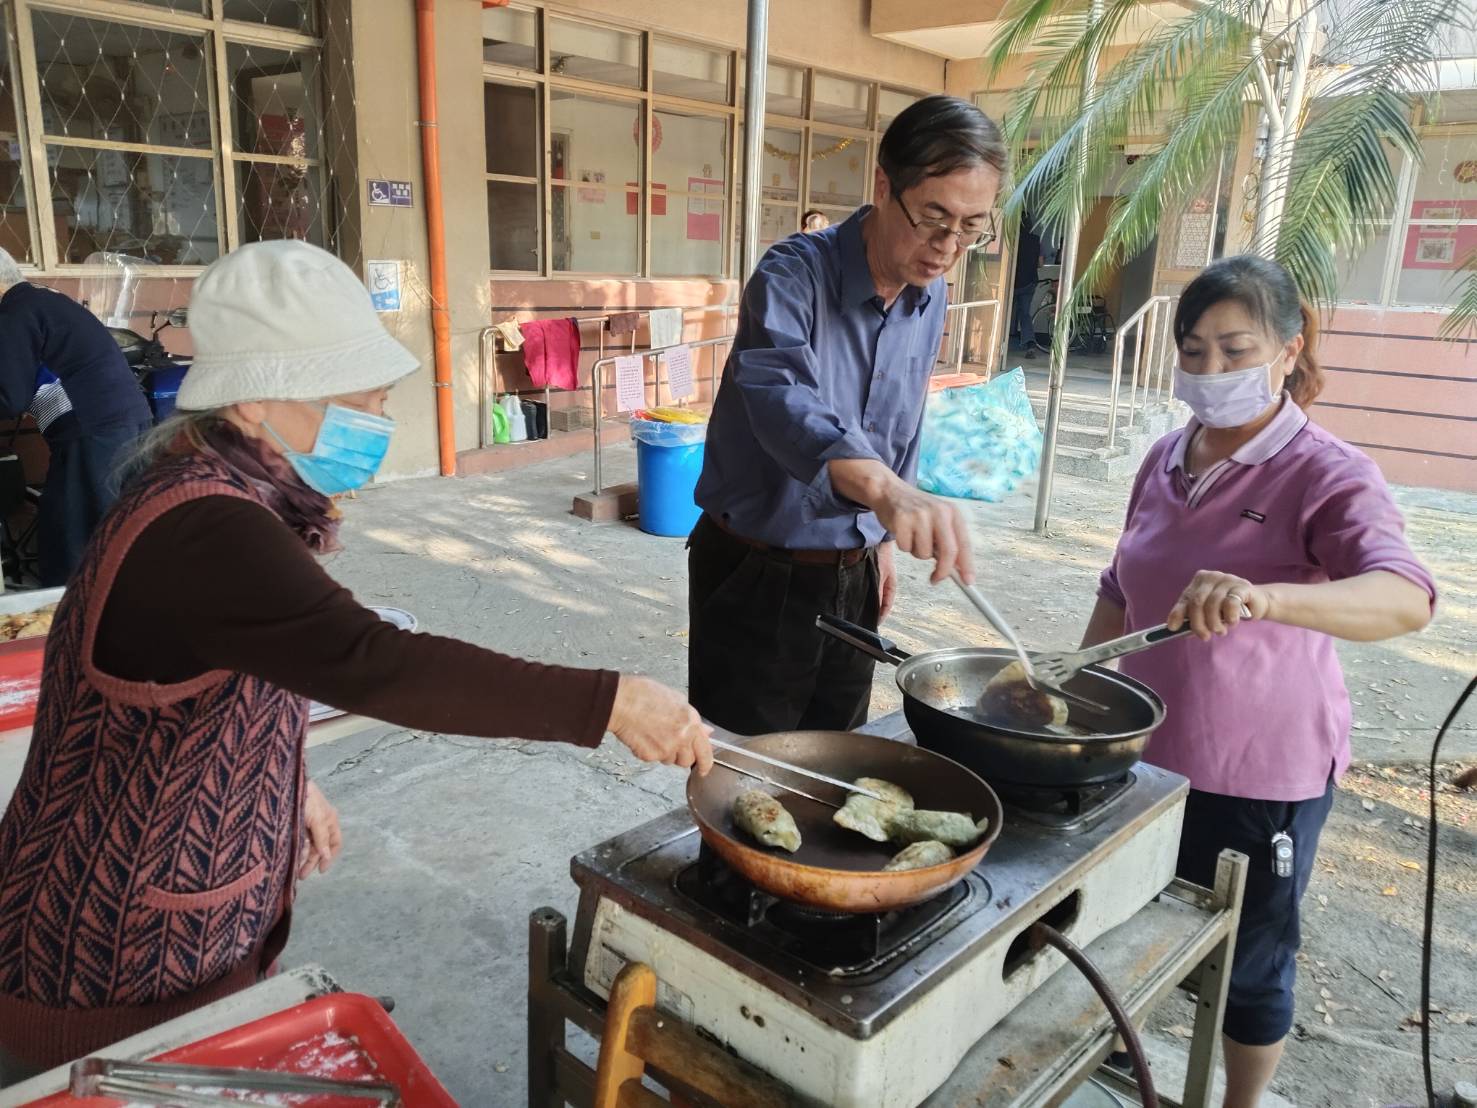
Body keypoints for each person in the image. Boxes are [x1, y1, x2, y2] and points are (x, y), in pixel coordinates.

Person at [0, 241, 713, 1076]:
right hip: (105, 961)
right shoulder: (209, 528)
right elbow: (374, 662)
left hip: (162, 928)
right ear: (258, 398)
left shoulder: (217, 490)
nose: (378, 418)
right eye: (362, 398)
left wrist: (282, 779)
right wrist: (613, 700)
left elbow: (246, 661)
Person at [1082, 255, 1435, 1108]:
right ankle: (1124, 1054)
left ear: (1287, 349)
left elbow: (1404, 597)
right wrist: (1072, 699)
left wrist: (1266, 596)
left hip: (1256, 774)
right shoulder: (1166, 455)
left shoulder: (1325, 471)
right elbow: (1119, 588)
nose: (1211, 371)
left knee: (1248, 963)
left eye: (1235, 350)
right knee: (1128, 925)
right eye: (1192, 351)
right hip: (1143, 758)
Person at [689, 96, 1005, 736]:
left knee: (840, 759)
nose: (947, 248)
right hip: (757, 570)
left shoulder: (930, 295)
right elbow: (781, 397)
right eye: (933, 218)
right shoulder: (792, 275)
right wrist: (885, 491)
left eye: (971, 227)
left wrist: (880, 539)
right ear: (884, 186)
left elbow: (903, 422)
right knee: (744, 772)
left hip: (852, 573)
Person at [0, 248, 153, 586]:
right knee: (121, 529)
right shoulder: (43, 300)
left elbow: (9, 398)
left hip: (92, 430)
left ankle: (75, 613)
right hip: (128, 420)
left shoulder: (13, 313)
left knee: (72, 540)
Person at [1011, 212, 1042, 359]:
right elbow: (1040, 263)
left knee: (1004, 313)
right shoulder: (1035, 240)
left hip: (1013, 283)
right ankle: (1030, 344)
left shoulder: (1012, 239)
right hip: (1029, 283)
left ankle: (997, 342)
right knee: (1025, 314)